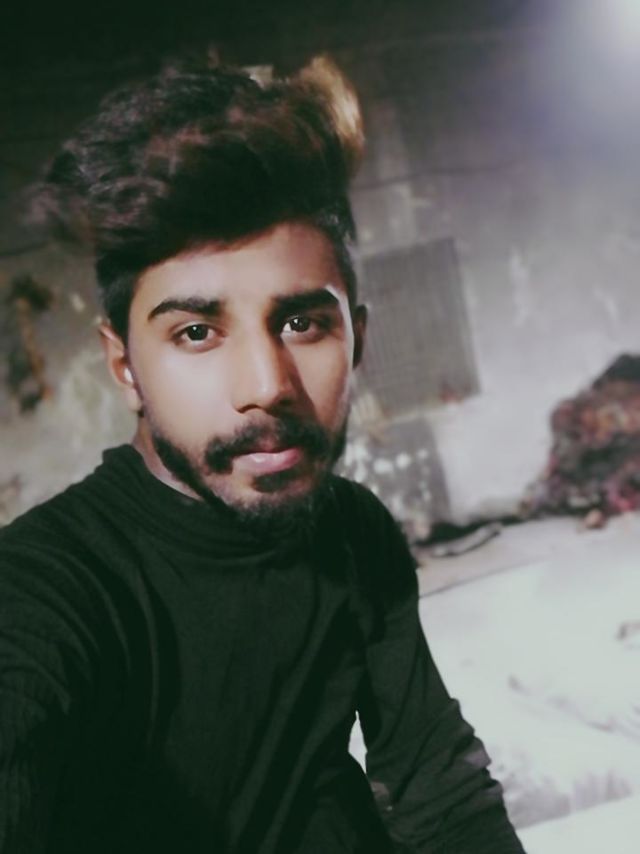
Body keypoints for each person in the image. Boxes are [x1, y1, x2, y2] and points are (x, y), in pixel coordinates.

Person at [0, 55, 525, 853]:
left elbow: (440, 788)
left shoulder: (353, 530)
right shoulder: (48, 589)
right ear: (125, 366)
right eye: (197, 332)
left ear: (357, 340)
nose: (267, 386)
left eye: (303, 324)